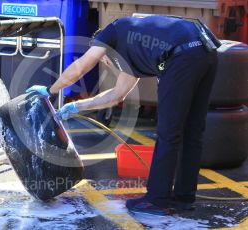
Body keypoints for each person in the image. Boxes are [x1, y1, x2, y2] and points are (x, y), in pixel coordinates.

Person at [27, 15, 218, 215]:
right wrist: (77, 107)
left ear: (101, 45)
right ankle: (184, 198)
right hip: (207, 50)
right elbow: (116, 95)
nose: (106, 62)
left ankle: (157, 200)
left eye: (102, 57)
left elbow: (80, 67)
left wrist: (51, 90)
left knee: (169, 134)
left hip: (182, 56)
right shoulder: (132, 51)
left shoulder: (112, 32)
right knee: (192, 132)